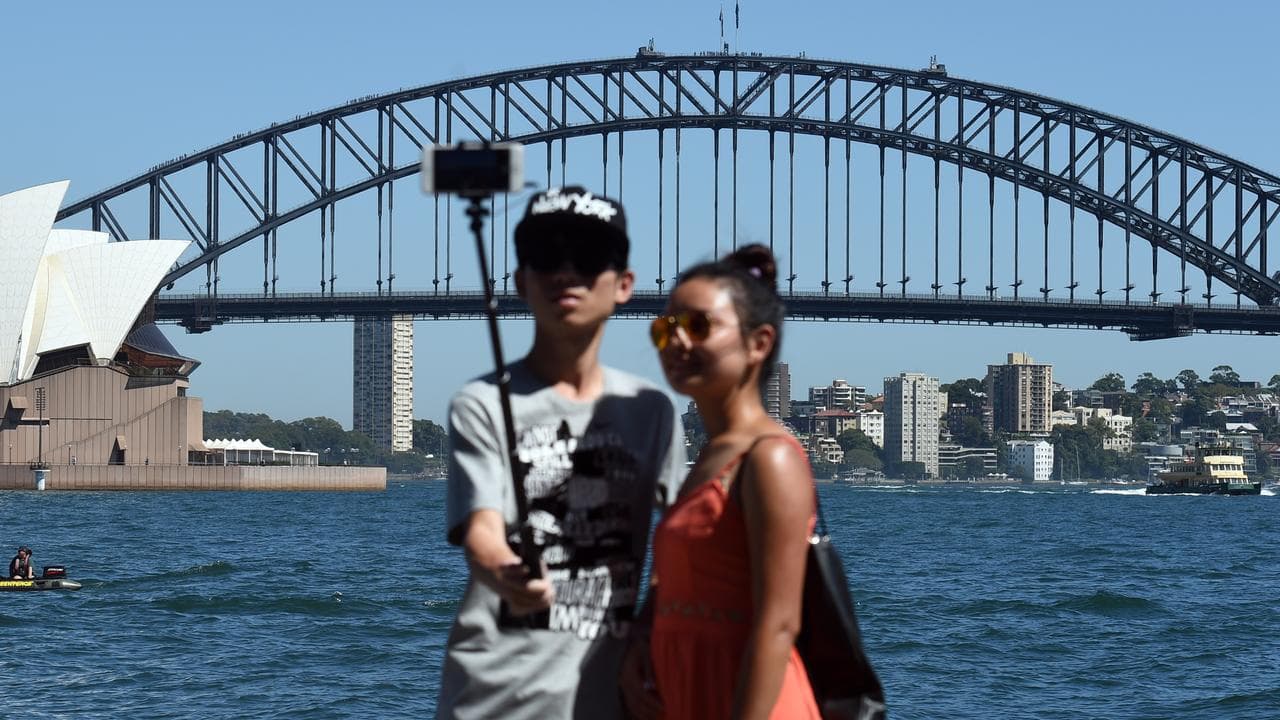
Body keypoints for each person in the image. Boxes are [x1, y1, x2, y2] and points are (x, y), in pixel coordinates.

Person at [436, 186, 687, 720]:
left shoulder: (653, 412)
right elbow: (481, 531)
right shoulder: (480, 404)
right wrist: (507, 572)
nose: (566, 271)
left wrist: (649, 635)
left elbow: (678, 544)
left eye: (589, 258)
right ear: (521, 280)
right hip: (493, 701)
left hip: (610, 702)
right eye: (547, 256)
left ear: (623, 285)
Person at [623, 244, 820, 719]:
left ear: (759, 342)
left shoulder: (769, 457)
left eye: (698, 326)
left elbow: (778, 624)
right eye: (665, 328)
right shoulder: (711, 458)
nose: (677, 343)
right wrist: (636, 650)